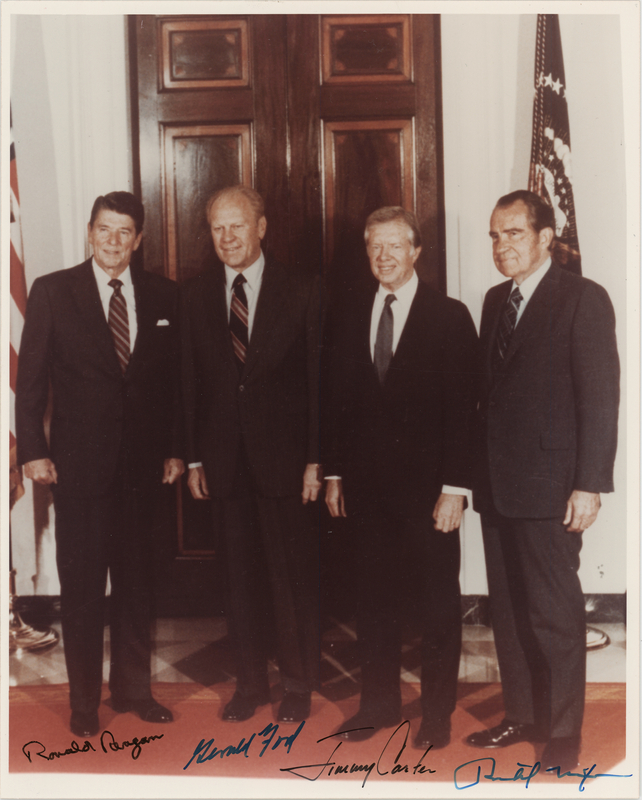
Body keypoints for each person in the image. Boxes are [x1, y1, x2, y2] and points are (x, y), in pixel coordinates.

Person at [16, 191, 184, 738]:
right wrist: (33, 451)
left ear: (139, 239)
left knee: (137, 585)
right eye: (104, 229)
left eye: (124, 232)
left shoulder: (163, 294)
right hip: (78, 468)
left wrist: (176, 449)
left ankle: (134, 691)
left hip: (144, 471)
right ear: (90, 232)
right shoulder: (52, 291)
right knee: (84, 588)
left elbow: (176, 385)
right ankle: (84, 701)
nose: (113, 241)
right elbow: (30, 381)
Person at [468, 190, 620, 771]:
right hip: (497, 486)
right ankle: (522, 715)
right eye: (494, 235)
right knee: (508, 613)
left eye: (513, 233)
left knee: (554, 614)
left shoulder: (582, 298)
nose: (501, 245)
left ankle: (562, 732)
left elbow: (600, 398)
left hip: (552, 486)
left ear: (545, 237)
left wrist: (590, 484)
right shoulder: (494, 301)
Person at [324, 206, 478, 748]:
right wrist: (335, 473)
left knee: (437, 606)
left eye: (395, 245)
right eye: (375, 246)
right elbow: (335, 402)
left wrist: (456, 489)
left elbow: (465, 411)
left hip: (431, 494)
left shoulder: (450, 316)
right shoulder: (349, 312)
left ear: (416, 252)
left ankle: (436, 713)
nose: (384, 256)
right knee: (373, 603)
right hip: (367, 492)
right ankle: (378, 705)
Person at [181, 185, 321, 724]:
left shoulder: (303, 289)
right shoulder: (194, 295)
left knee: (291, 580)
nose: (227, 237)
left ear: (261, 228)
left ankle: (299, 684)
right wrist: (194, 459)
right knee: (238, 582)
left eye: (237, 225)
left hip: (286, 463)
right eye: (218, 228)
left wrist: (316, 459)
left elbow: (318, 382)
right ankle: (250, 684)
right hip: (224, 463)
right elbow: (188, 384)